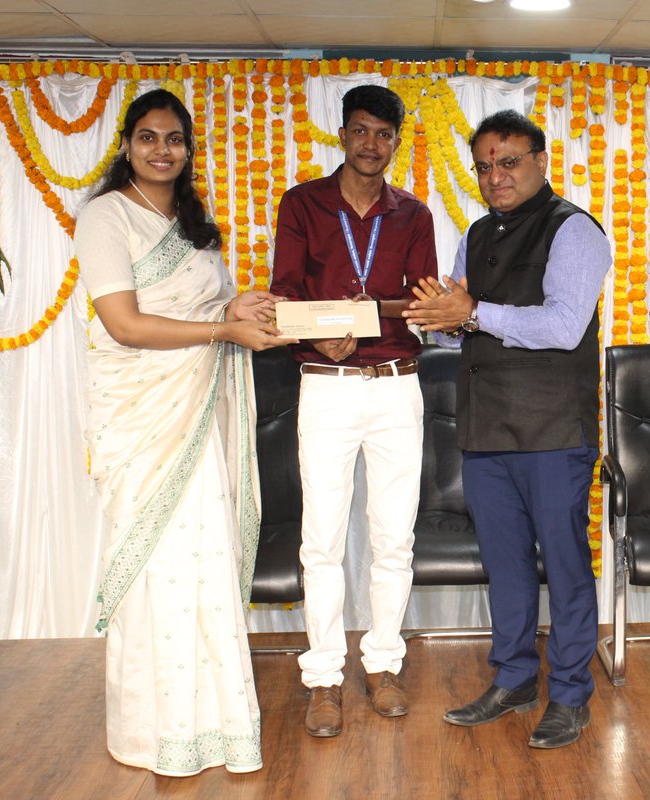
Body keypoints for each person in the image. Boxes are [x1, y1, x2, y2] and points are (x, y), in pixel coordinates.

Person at [76, 88, 293, 776]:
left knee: (204, 562)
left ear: (188, 149)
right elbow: (125, 324)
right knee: (160, 566)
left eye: (174, 139)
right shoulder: (106, 216)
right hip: (145, 418)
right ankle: (156, 730)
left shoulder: (195, 224)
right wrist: (224, 328)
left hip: (201, 413)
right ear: (128, 146)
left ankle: (219, 723)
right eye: (148, 138)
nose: (162, 150)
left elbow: (201, 306)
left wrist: (237, 306)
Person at [403, 110, 611, 749]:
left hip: (552, 429)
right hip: (485, 425)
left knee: (566, 564)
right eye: (485, 166)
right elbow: (462, 321)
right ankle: (515, 677)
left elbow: (562, 326)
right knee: (506, 565)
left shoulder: (573, 229)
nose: (496, 176)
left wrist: (471, 311)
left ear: (542, 160)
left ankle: (571, 693)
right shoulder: (475, 231)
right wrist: (430, 316)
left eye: (510, 162)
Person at [270, 84, 437, 738]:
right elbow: (286, 297)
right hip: (326, 381)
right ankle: (323, 677)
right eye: (361, 131)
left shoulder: (413, 215)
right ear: (343, 134)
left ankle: (385, 665)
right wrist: (321, 333)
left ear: (396, 141)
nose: (371, 144)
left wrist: (365, 314)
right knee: (324, 540)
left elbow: (420, 304)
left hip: (397, 382)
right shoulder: (303, 203)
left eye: (384, 135)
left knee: (394, 536)